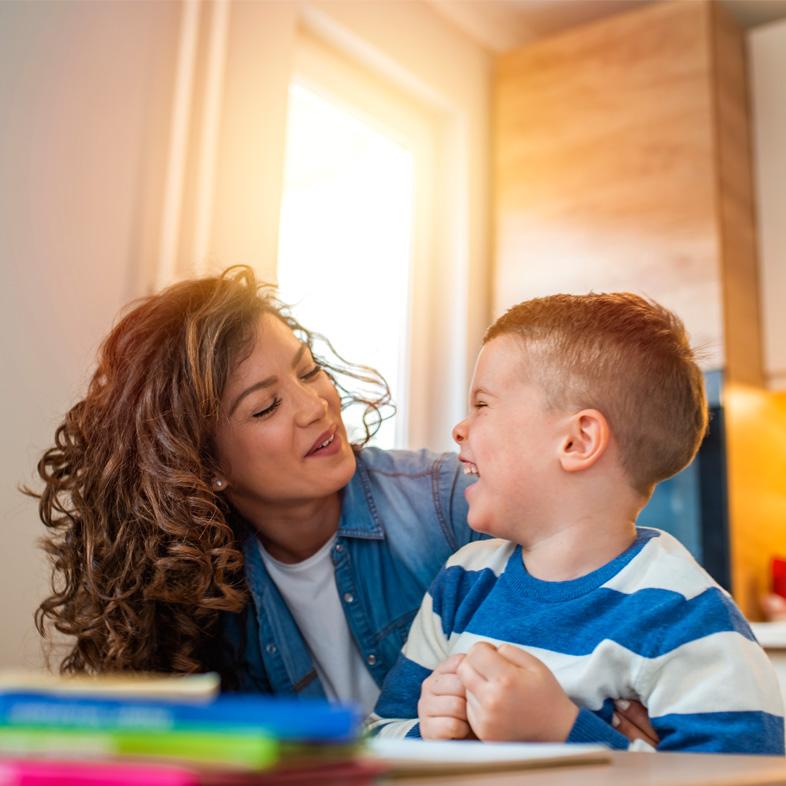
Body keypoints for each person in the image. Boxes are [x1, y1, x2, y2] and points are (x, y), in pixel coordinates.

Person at [29, 266, 655, 741]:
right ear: (206, 465)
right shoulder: (200, 592)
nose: (315, 407)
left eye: (306, 372)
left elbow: (617, 584)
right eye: (266, 406)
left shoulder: (449, 504)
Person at [368, 293, 785, 754]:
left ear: (577, 441)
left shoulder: (685, 615)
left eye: (483, 405)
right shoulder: (463, 583)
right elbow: (377, 736)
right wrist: (433, 733)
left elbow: (743, 776)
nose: (460, 429)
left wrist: (563, 729)